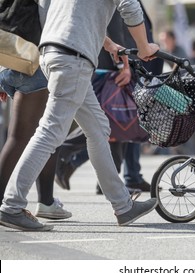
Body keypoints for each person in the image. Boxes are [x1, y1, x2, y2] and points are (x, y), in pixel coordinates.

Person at [0, 0, 159, 231]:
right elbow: (130, 5)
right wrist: (144, 47)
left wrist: (106, 42)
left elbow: (50, 9)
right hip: (73, 57)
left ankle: (123, 206)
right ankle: (12, 205)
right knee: (50, 131)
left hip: (52, 51)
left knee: (98, 128)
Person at [0, 0, 71, 221]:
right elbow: (49, 19)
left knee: (37, 136)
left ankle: (47, 201)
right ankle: (41, 202)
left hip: (13, 59)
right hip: (35, 62)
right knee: (34, 136)